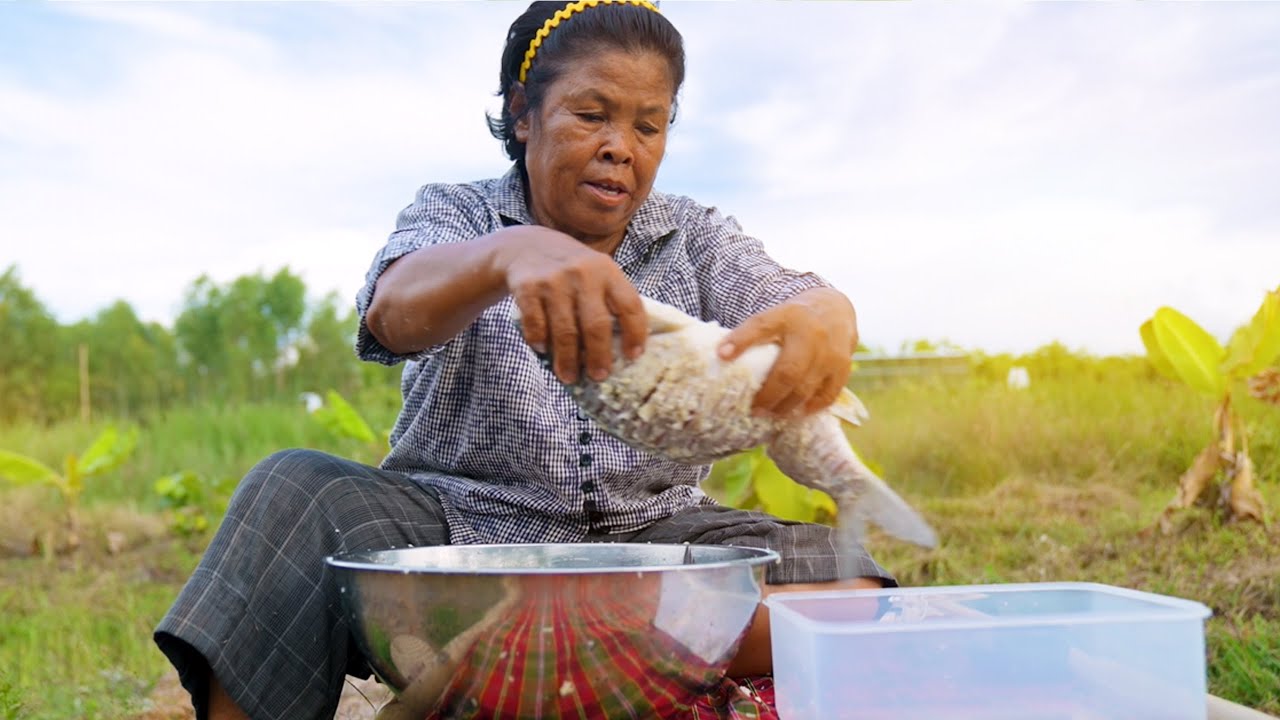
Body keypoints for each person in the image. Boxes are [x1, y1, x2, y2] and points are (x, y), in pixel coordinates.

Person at [154, 2, 896, 718]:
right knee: (293, 491)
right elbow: (393, 309)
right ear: (522, 112)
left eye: (650, 125)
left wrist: (825, 318)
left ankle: (568, 642)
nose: (622, 147)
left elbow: (800, 297)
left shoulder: (694, 235)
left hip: (655, 537)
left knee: (852, 584)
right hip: (456, 532)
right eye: (592, 114)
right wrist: (509, 255)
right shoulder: (462, 215)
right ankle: (619, 639)